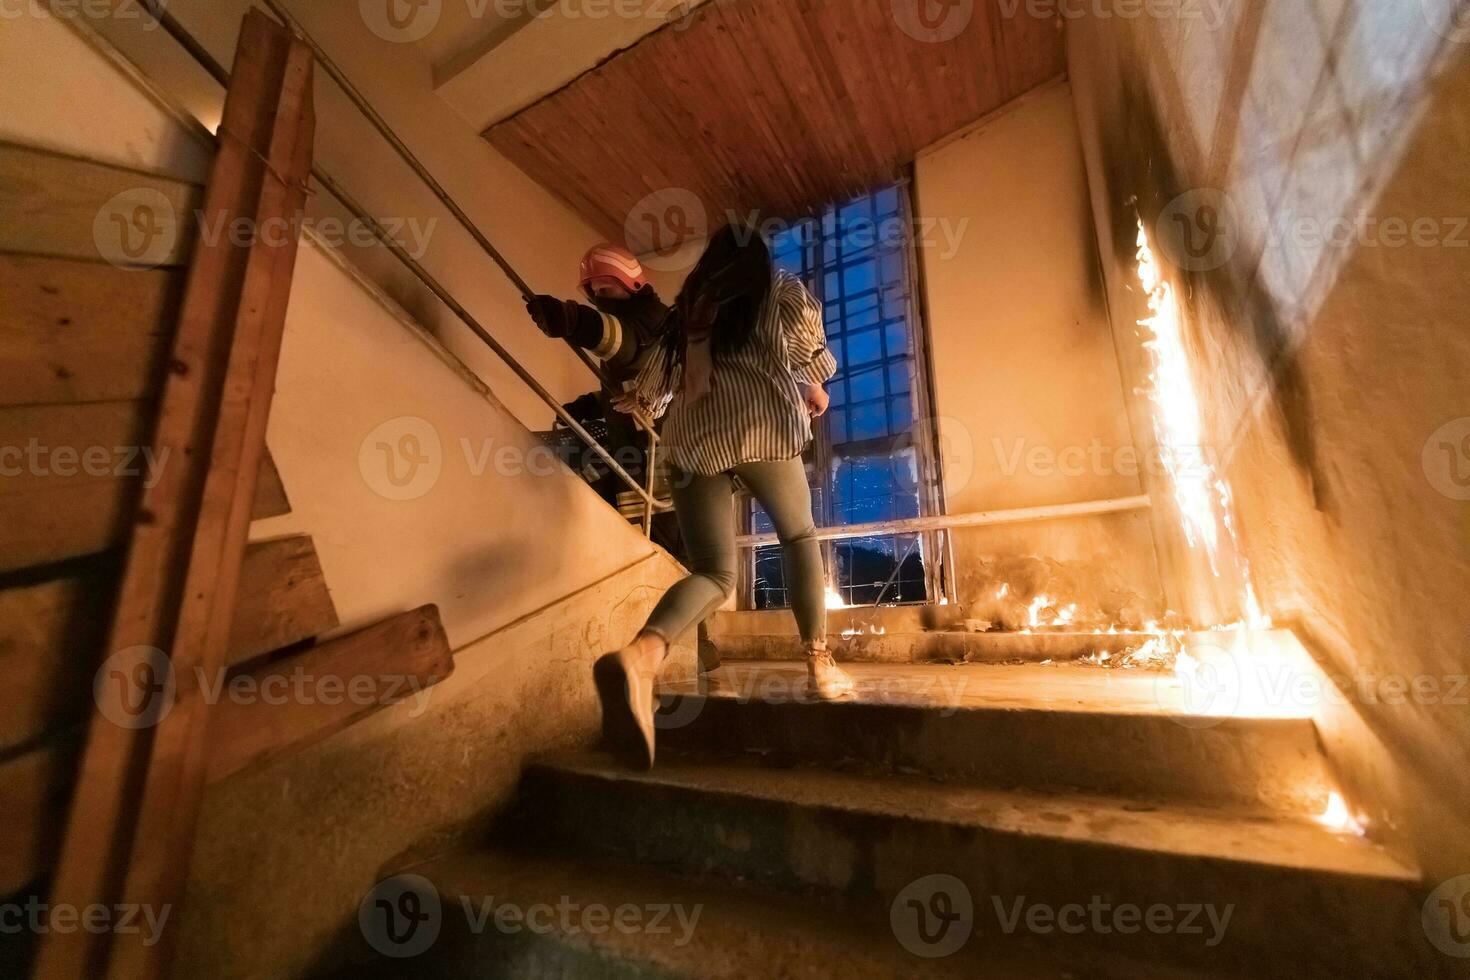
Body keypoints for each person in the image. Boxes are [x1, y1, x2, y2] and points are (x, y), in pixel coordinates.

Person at [595, 225, 854, 769]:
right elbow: (810, 353)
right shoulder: (778, 289)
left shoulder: (688, 307)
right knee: (799, 536)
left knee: (714, 572)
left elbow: (654, 385)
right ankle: (819, 665)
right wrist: (814, 384)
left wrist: (642, 396)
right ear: (757, 260)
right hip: (758, 428)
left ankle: (642, 656)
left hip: (690, 441)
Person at [525, 244, 669, 503]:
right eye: (596, 292)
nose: (600, 297)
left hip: (660, 460)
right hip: (632, 452)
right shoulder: (637, 319)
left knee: (658, 535)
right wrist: (591, 405)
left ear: (630, 285)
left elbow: (630, 347)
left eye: (606, 289)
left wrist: (574, 320)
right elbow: (626, 385)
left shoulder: (655, 319)